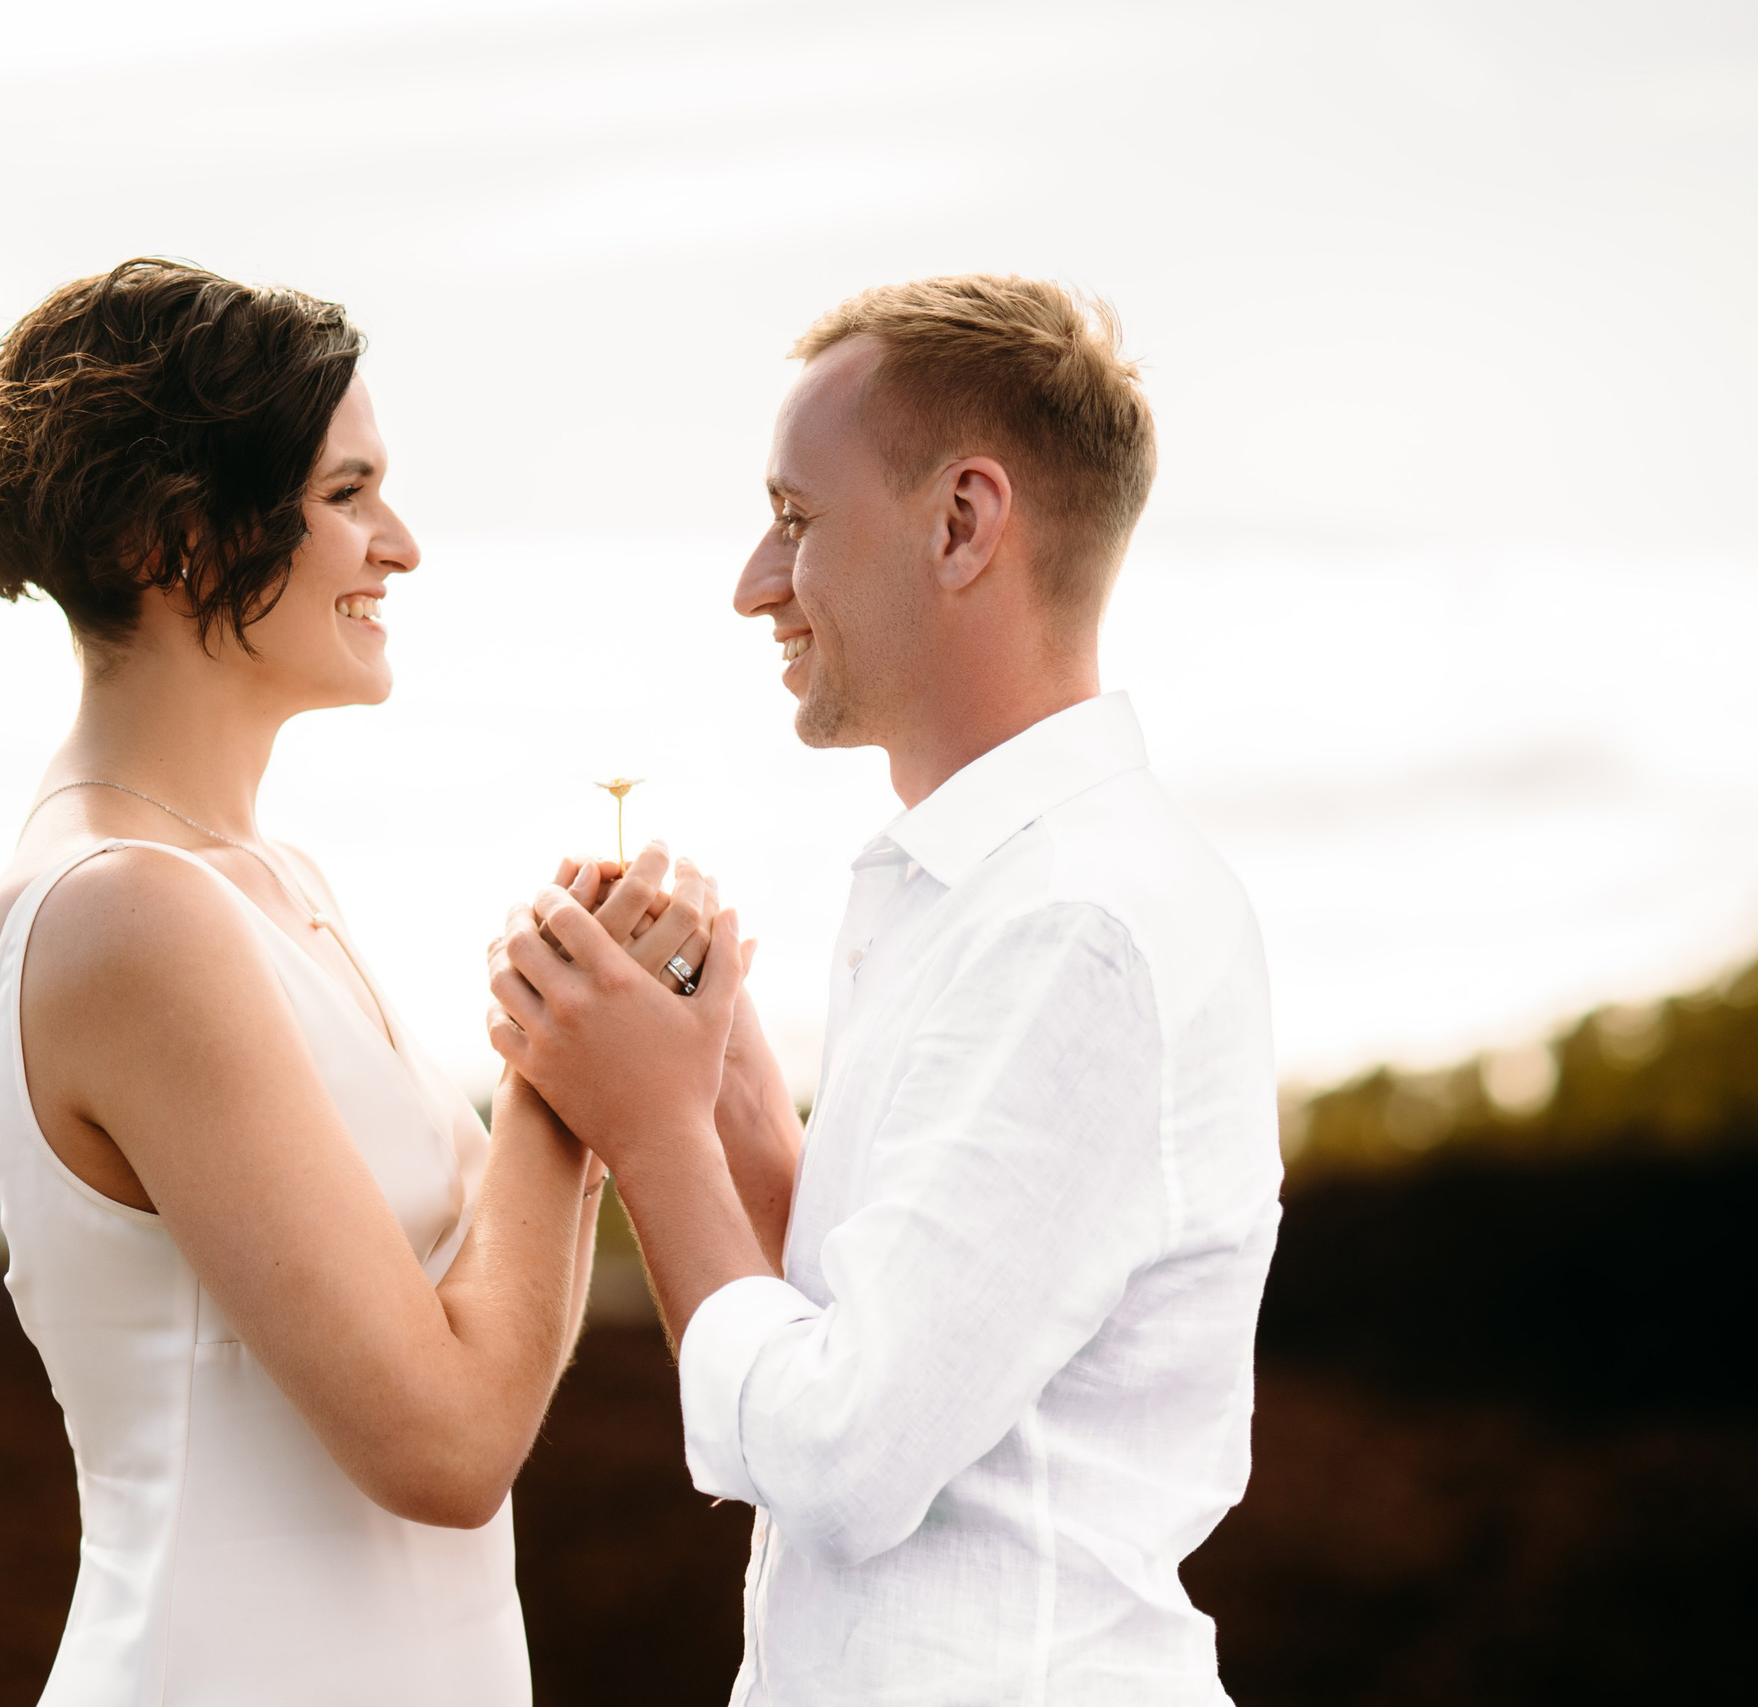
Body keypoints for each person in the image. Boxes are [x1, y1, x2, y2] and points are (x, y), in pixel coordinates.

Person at [488, 276, 1280, 1703]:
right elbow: (904, 1331)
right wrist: (727, 1096)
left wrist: (653, 1131)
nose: (753, 582)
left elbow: (847, 1460)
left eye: (795, 518)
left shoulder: (1074, 925)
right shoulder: (978, 893)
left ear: (962, 523)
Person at [0, 258, 716, 1706]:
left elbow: (485, 1318)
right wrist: (565, 1076)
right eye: (348, 494)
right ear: (179, 539)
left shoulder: (275, 884)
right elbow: (445, 1447)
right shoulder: (125, 914)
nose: (400, 544)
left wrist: (590, 1053)